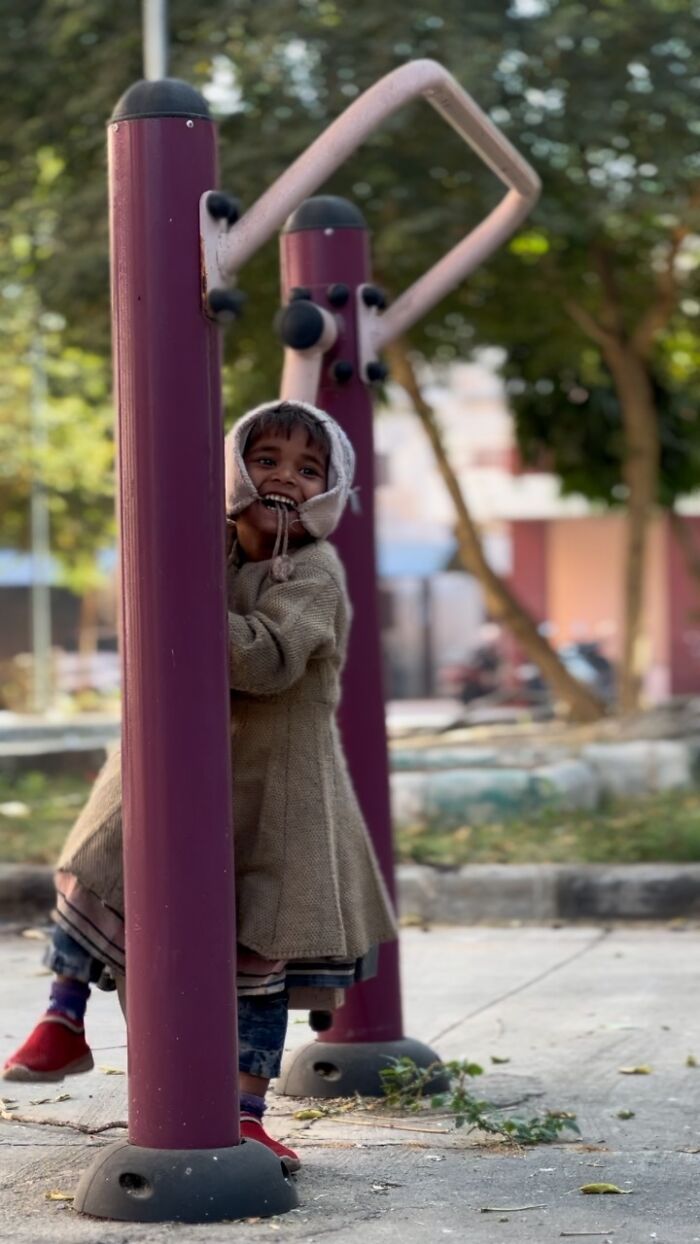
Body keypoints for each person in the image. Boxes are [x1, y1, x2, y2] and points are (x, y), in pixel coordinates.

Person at [2, 400, 397, 1172]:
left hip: (276, 787)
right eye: (267, 457)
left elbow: (268, 659)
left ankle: (245, 1111)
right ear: (235, 469)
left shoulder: (315, 570)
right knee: (98, 860)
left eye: (307, 468)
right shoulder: (211, 546)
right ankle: (63, 1017)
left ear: (326, 492)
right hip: (177, 761)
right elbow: (152, 593)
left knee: (261, 945)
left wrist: (186, 610)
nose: (284, 475)